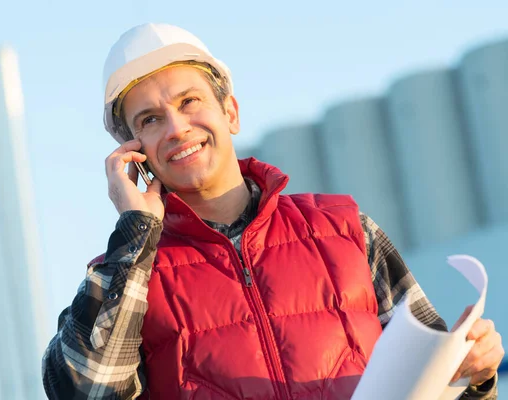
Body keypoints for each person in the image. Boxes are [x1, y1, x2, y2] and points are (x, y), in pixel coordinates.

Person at [42, 23, 504, 399]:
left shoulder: (345, 231)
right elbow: (84, 392)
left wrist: (474, 376)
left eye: (189, 102)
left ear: (231, 113)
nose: (177, 128)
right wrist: (135, 232)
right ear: (133, 152)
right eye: (150, 120)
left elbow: (438, 381)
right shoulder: (123, 277)